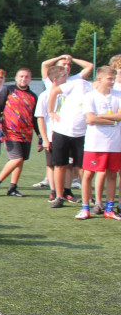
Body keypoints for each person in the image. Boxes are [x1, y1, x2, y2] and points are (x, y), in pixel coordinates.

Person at [75, 67, 121, 220]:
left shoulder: (119, 95)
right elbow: (91, 119)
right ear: (100, 79)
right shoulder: (90, 96)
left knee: (112, 175)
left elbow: (120, 116)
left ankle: (109, 209)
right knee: (88, 174)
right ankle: (85, 208)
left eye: (114, 78)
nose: (113, 81)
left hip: (115, 144)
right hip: (95, 144)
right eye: (110, 78)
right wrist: (112, 120)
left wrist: (101, 117)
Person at [47, 57, 94, 204]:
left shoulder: (90, 86)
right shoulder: (76, 84)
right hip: (62, 132)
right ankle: (59, 196)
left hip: (82, 134)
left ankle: (89, 199)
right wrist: (51, 111)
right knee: (60, 165)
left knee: (82, 168)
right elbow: (54, 92)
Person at [0, 68, 38, 198]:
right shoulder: (9, 90)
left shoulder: (33, 96)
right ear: (16, 78)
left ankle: (13, 187)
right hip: (10, 131)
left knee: (20, 161)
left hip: (26, 133)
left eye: (26, 77)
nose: (23, 79)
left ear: (30, 79)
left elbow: (35, 118)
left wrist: (40, 136)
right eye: (21, 76)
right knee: (17, 158)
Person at [35, 66, 65, 203]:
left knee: (67, 164)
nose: (66, 78)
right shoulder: (44, 95)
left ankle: (66, 190)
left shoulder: (67, 93)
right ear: (55, 79)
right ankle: (53, 191)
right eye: (63, 76)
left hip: (66, 134)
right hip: (52, 135)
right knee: (52, 164)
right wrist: (45, 139)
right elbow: (40, 118)